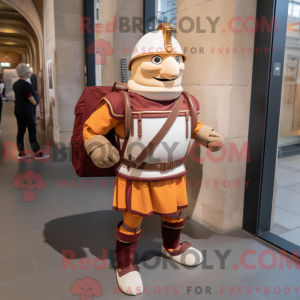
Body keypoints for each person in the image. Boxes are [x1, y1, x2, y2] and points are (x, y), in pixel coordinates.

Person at [83, 23, 223, 295]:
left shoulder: (187, 101)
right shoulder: (120, 101)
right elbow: (92, 128)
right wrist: (96, 144)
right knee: (133, 220)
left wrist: (204, 133)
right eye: (157, 60)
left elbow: (190, 125)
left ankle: (171, 246)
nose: (170, 69)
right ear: (138, 63)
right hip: (137, 176)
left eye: (176, 61)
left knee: (175, 215)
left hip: (173, 174)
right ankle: (125, 264)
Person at [13, 63, 49, 160]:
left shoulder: (15, 84)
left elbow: (16, 97)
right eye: (29, 71)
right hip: (27, 110)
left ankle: (21, 152)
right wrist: (35, 102)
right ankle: (38, 153)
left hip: (17, 109)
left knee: (21, 131)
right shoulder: (27, 85)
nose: (30, 73)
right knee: (32, 131)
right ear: (26, 73)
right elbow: (31, 100)